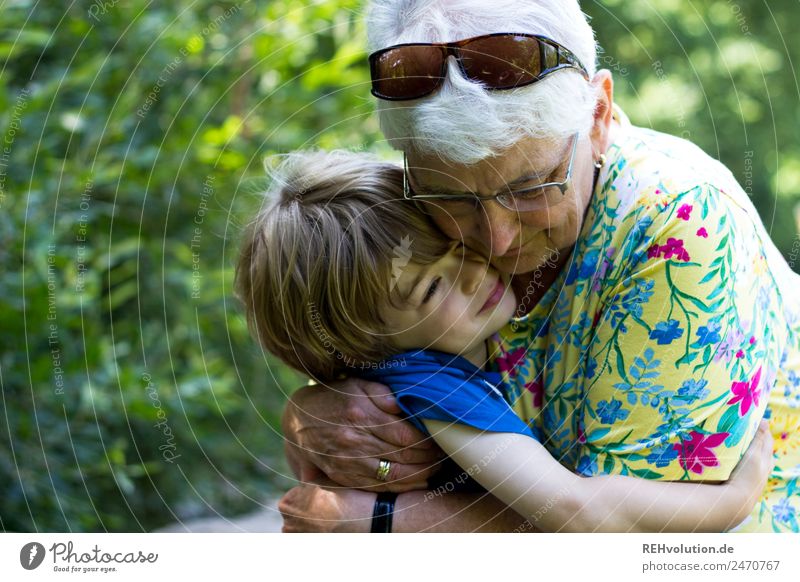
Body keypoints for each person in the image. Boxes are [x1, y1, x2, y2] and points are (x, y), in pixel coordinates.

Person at [280, 0, 800, 532]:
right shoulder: (411, 217)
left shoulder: (678, 224)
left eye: (531, 187)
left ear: (597, 117)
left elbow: (617, 545)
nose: (497, 239)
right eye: (451, 197)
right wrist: (314, 410)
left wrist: (388, 521)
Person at [235, 149, 773, 533]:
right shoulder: (434, 390)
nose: (475, 270)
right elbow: (570, 512)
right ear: (370, 344)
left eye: (455, 247)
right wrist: (732, 501)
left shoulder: (441, 351)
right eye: (431, 287)